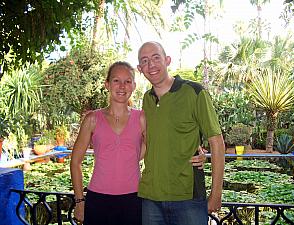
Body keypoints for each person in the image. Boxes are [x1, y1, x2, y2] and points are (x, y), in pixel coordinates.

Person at [70, 61, 205, 225]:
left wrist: (193, 148)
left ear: (134, 86)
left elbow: (160, 141)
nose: (122, 86)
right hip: (98, 199)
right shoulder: (92, 119)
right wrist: (79, 201)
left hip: (134, 199)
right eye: (116, 81)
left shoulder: (141, 117)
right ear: (107, 84)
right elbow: (75, 162)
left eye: (127, 81)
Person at [137, 41, 225, 225]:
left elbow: (216, 142)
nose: (151, 65)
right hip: (150, 197)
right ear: (140, 68)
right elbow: (149, 141)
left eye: (156, 58)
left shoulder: (194, 92)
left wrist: (216, 193)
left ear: (167, 60)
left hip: (188, 197)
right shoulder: (147, 99)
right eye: (144, 61)